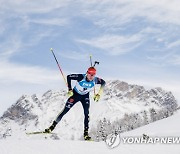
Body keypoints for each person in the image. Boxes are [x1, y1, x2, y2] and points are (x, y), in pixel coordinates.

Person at [45, 67, 106, 140]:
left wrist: (99, 94)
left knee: (86, 113)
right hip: (75, 95)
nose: (91, 77)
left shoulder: (95, 80)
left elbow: (103, 82)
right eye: (90, 74)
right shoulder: (81, 77)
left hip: (85, 97)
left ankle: (86, 134)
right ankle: (51, 127)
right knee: (65, 110)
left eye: (93, 75)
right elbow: (69, 77)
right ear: (87, 73)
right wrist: (70, 89)